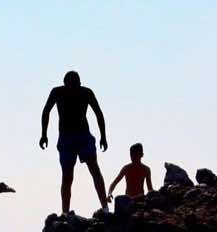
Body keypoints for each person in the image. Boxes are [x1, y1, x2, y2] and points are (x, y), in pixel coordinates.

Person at [39, 70, 109, 216]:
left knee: (94, 170)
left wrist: (103, 136)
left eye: (76, 85)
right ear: (65, 84)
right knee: (67, 176)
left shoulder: (86, 92)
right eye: (71, 85)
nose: (73, 88)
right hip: (66, 137)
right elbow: (46, 111)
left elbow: (98, 113)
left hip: (83, 135)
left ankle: (105, 208)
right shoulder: (58, 92)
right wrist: (43, 134)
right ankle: (65, 212)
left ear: (80, 83)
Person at [107, 143, 154, 209]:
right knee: (118, 199)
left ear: (141, 155)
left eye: (135, 155)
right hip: (128, 200)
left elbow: (150, 189)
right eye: (131, 155)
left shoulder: (146, 169)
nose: (132, 157)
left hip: (140, 199)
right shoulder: (126, 168)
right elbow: (114, 183)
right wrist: (109, 194)